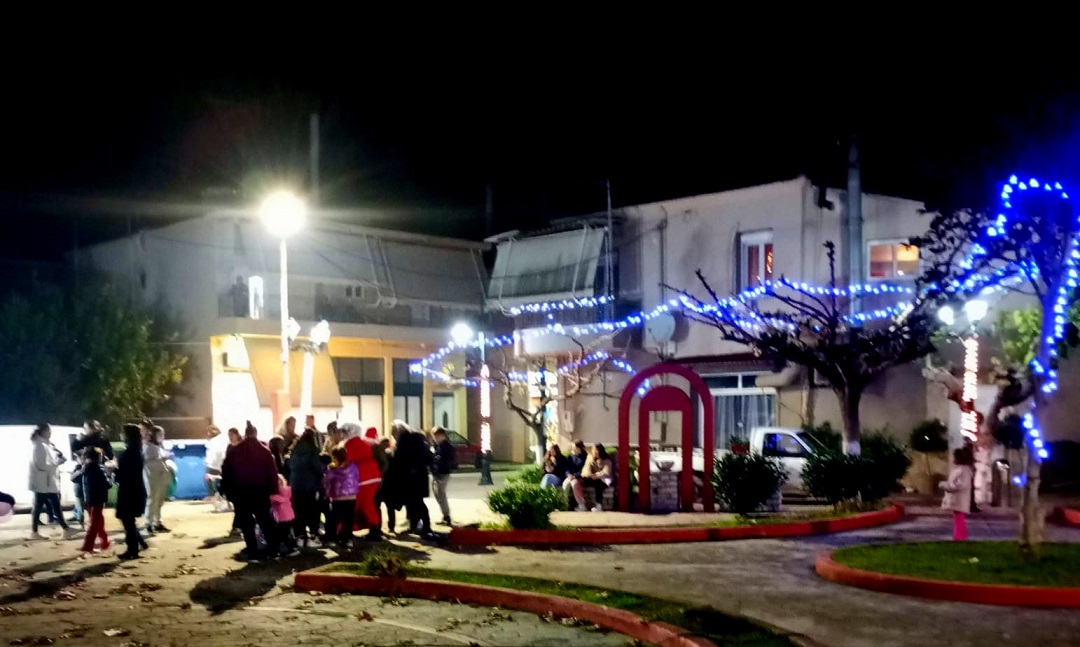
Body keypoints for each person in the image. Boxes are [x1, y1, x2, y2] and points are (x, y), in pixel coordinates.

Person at [222, 422, 280, 561]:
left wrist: (229, 492)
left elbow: (227, 472)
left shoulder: (235, 451)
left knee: (247, 525)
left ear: (245, 434)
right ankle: (273, 552)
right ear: (255, 434)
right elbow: (272, 473)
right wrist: (273, 490)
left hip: (241, 492)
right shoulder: (264, 452)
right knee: (266, 523)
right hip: (261, 492)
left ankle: (253, 554)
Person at [29, 424, 77, 540]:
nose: (50, 433)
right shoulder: (40, 446)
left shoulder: (44, 444)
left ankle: (64, 529)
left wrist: (56, 460)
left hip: (46, 482)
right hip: (44, 482)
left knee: (45, 505)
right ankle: (65, 529)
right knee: (50, 505)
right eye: (49, 430)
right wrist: (57, 462)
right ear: (43, 431)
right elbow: (41, 465)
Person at [389, 420, 431, 536]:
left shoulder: (408, 440)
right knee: (413, 503)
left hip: (413, 478)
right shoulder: (414, 439)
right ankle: (415, 525)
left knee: (417, 502)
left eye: (394, 432)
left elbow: (403, 458)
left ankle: (425, 526)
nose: (393, 435)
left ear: (399, 430)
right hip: (414, 477)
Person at [341, 423, 382, 541]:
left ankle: (372, 530)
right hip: (372, 476)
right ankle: (374, 529)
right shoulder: (362, 443)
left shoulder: (350, 444)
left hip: (364, 478)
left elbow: (348, 461)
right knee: (367, 504)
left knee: (363, 505)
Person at [71, 420, 114, 525]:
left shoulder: (101, 440)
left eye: (86, 428)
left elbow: (109, 455)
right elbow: (74, 448)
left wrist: (97, 454)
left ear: (93, 428)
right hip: (84, 472)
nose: (85, 430)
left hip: (95, 473)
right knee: (81, 496)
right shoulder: (84, 439)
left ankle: (93, 524)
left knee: (93, 503)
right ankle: (81, 517)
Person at [115, 424, 148, 559]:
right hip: (135, 488)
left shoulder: (130, 452)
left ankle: (133, 549)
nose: (121, 435)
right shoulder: (136, 450)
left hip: (129, 489)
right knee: (128, 519)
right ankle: (139, 543)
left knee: (127, 518)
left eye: (123, 433)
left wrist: (114, 470)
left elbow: (125, 472)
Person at [288, 427, 324, 547]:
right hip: (309, 486)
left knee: (298, 511)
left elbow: (289, 466)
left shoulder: (294, 450)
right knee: (312, 511)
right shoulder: (313, 450)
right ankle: (313, 536)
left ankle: (300, 536)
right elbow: (317, 468)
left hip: (295, 485)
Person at [323, 446, 359, 546]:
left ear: (336, 457)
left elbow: (327, 481)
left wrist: (327, 494)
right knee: (348, 519)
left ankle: (330, 538)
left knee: (333, 519)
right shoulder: (353, 467)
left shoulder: (333, 470)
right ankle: (346, 539)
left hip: (338, 497)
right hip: (352, 496)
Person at [79, 448, 112, 555]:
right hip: (98, 498)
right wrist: (109, 475)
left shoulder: (85, 468)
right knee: (95, 524)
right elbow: (107, 484)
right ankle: (88, 546)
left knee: (98, 522)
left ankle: (104, 542)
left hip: (89, 498)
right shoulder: (97, 469)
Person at [142, 423, 173, 533]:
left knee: (159, 500)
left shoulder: (158, 446)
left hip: (160, 477)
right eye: (160, 434)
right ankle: (148, 523)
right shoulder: (148, 446)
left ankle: (157, 522)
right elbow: (148, 461)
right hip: (152, 477)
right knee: (152, 499)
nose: (162, 436)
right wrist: (161, 459)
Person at [941, 444, 975, 541]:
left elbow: (959, 485)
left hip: (958, 499)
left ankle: (958, 538)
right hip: (958, 499)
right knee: (959, 519)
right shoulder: (963, 470)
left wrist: (945, 485)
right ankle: (962, 537)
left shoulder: (962, 471)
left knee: (959, 520)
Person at [430, 427, 456, 526]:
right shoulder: (438, 446)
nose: (435, 438)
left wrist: (438, 465)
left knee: (441, 494)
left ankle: (446, 516)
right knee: (438, 495)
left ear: (442, 436)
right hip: (437, 473)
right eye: (434, 436)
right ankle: (445, 515)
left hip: (442, 473)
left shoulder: (447, 447)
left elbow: (447, 461)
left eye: (436, 436)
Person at [580, 444, 615, 512]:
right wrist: (588, 474)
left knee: (598, 483)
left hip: (604, 479)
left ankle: (599, 505)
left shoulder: (606, 459)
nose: (595, 452)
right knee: (583, 480)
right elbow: (585, 469)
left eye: (596, 450)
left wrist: (597, 475)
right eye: (593, 450)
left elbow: (606, 472)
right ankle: (582, 504)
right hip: (592, 477)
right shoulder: (590, 457)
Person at [204, 425, 231, 512]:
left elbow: (215, 454)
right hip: (217, 465)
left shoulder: (214, 441)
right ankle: (222, 503)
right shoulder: (220, 440)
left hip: (215, 466)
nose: (207, 434)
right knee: (217, 485)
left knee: (215, 486)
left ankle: (221, 504)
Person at [270, 474, 297, 556]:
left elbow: (275, 499)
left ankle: (288, 550)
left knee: (281, 534)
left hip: (282, 516)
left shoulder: (275, 494)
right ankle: (289, 548)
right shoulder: (288, 489)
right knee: (284, 534)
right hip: (289, 515)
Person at [374, 437, 396, 533]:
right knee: (389, 506)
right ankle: (390, 526)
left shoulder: (377, 455)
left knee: (378, 506)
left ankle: (379, 526)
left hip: (382, 483)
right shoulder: (389, 454)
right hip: (388, 484)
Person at [562, 441, 588, 510]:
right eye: (573, 447)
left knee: (575, 484)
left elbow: (584, 470)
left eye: (576, 448)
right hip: (570, 477)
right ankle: (565, 504)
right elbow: (567, 468)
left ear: (580, 448)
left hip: (581, 477)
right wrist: (568, 474)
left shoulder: (585, 457)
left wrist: (575, 476)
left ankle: (582, 505)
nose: (574, 449)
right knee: (565, 484)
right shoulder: (570, 457)